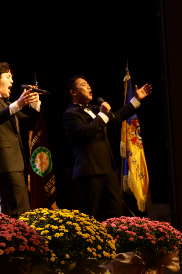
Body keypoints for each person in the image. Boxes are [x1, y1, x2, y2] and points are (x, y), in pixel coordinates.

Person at [62, 75, 151, 221]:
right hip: (90, 171)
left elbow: (116, 117)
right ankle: (86, 243)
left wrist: (136, 100)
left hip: (108, 169)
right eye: (84, 85)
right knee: (88, 215)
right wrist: (102, 114)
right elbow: (84, 133)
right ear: (73, 92)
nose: (89, 87)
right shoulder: (70, 114)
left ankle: (114, 242)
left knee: (115, 212)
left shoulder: (96, 109)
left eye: (88, 84)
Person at [0, 62, 41, 217]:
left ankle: (7, 240)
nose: (12, 81)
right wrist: (18, 104)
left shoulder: (6, 103)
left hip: (14, 162)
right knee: (22, 209)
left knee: (9, 210)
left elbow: (29, 124)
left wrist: (34, 104)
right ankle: (25, 241)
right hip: (5, 163)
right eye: (8, 77)